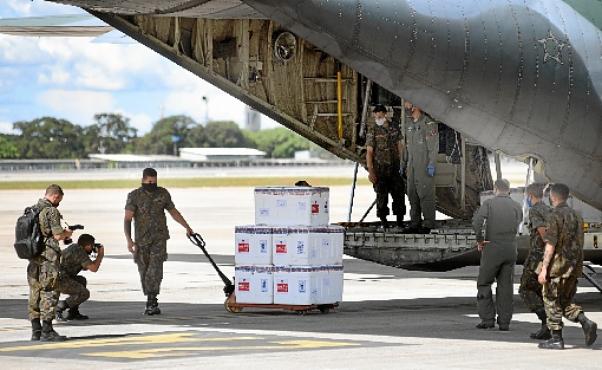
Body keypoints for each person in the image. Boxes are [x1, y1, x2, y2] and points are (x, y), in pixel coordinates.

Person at [124, 167, 195, 315]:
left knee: (155, 269)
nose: (152, 184)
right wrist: (129, 240)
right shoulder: (134, 196)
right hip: (141, 240)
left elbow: (173, 212)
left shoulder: (163, 193)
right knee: (143, 270)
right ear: (143, 180)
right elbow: (128, 219)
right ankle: (150, 297)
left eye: (154, 182)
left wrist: (187, 227)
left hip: (159, 238)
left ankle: (152, 300)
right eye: (149, 182)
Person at [537, 183, 597, 349]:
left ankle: (556, 338)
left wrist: (544, 269)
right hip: (574, 265)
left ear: (553, 197)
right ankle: (585, 322)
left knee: (550, 300)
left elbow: (550, 245)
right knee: (564, 302)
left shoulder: (554, 215)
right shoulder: (577, 215)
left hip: (558, 266)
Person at [472, 179, 522, 331]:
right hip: (511, 249)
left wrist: (480, 240)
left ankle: (487, 320)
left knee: (484, 283)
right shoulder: (516, 205)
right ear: (508, 190)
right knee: (506, 287)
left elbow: (477, 222)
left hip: (492, 247)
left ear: (495, 189)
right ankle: (505, 322)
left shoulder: (489, 204)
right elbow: (519, 222)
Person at [28, 184, 73, 341]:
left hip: (33, 257)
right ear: (55, 196)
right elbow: (58, 235)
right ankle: (47, 330)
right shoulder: (51, 211)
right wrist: (69, 232)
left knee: (35, 291)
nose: (59, 202)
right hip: (48, 258)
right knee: (50, 291)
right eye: (59, 199)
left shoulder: (32, 209)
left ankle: (36, 331)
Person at [518, 183, 551, 340]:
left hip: (538, 258)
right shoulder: (549, 209)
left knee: (525, 289)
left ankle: (547, 322)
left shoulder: (535, 210)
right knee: (540, 290)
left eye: (527, 196)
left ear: (530, 196)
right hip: (547, 256)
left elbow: (544, 235)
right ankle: (547, 326)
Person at [366, 104, 405, 229]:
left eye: (380, 114)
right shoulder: (372, 130)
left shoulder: (393, 128)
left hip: (394, 167)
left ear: (385, 114)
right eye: (376, 114)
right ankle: (384, 222)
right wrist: (371, 171)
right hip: (380, 169)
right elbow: (369, 152)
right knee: (382, 197)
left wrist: (403, 163)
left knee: (398, 194)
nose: (378, 116)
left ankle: (400, 222)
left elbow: (400, 146)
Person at [403, 104, 439, 233]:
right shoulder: (409, 125)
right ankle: (415, 223)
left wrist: (431, 164)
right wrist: (404, 164)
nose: (407, 109)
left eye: (409, 106)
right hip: (411, 166)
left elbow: (433, 148)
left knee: (425, 194)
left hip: (424, 165)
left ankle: (429, 223)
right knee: (412, 194)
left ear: (416, 107)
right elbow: (406, 147)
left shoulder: (428, 124)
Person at [56, 234, 104, 321]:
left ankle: (73, 312)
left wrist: (94, 259)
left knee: (81, 281)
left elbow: (86, 266)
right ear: (87, 246)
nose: (93, 248)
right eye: (92, 246)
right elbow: (94, 268)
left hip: (61, 277)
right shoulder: (80, 252)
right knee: (84, 293)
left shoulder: (76, 248)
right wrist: (100, 255)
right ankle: (59, 308)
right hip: (59, 280)